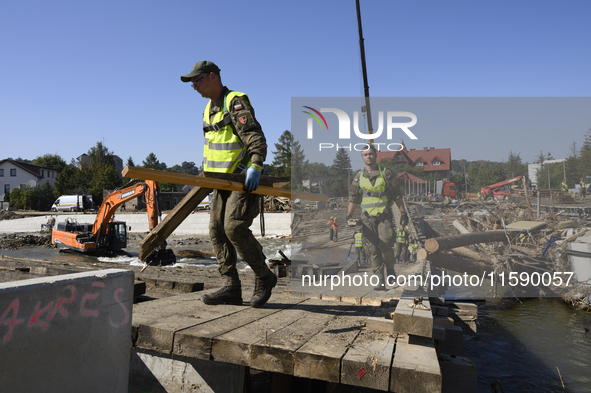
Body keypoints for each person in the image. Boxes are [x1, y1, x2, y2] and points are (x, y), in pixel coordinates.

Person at [180, 61, 276, 308]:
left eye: (198, 80)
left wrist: (255, 164)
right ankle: (231, 286)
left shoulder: (234, 101)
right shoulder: (207, 110)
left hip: (239, 179)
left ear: (213, 77)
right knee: (216, 230)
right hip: (217, 182)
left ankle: (264, 277)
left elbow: (254, 135)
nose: (194, 86)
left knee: (233, 228)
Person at [346, 145, 406, 290]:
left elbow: (397, 195)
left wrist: (403, 213)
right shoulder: (358, 177)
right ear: (362, 157)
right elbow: (353, 199)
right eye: (365, 154)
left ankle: (390, 269)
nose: (368, 157)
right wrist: (349, 216)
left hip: (384, 216)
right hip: (366, 218)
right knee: (372, 249)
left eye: (371, 154)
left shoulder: (386, 174)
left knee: (385, 244)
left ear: (376, 155)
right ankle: (380, 280)